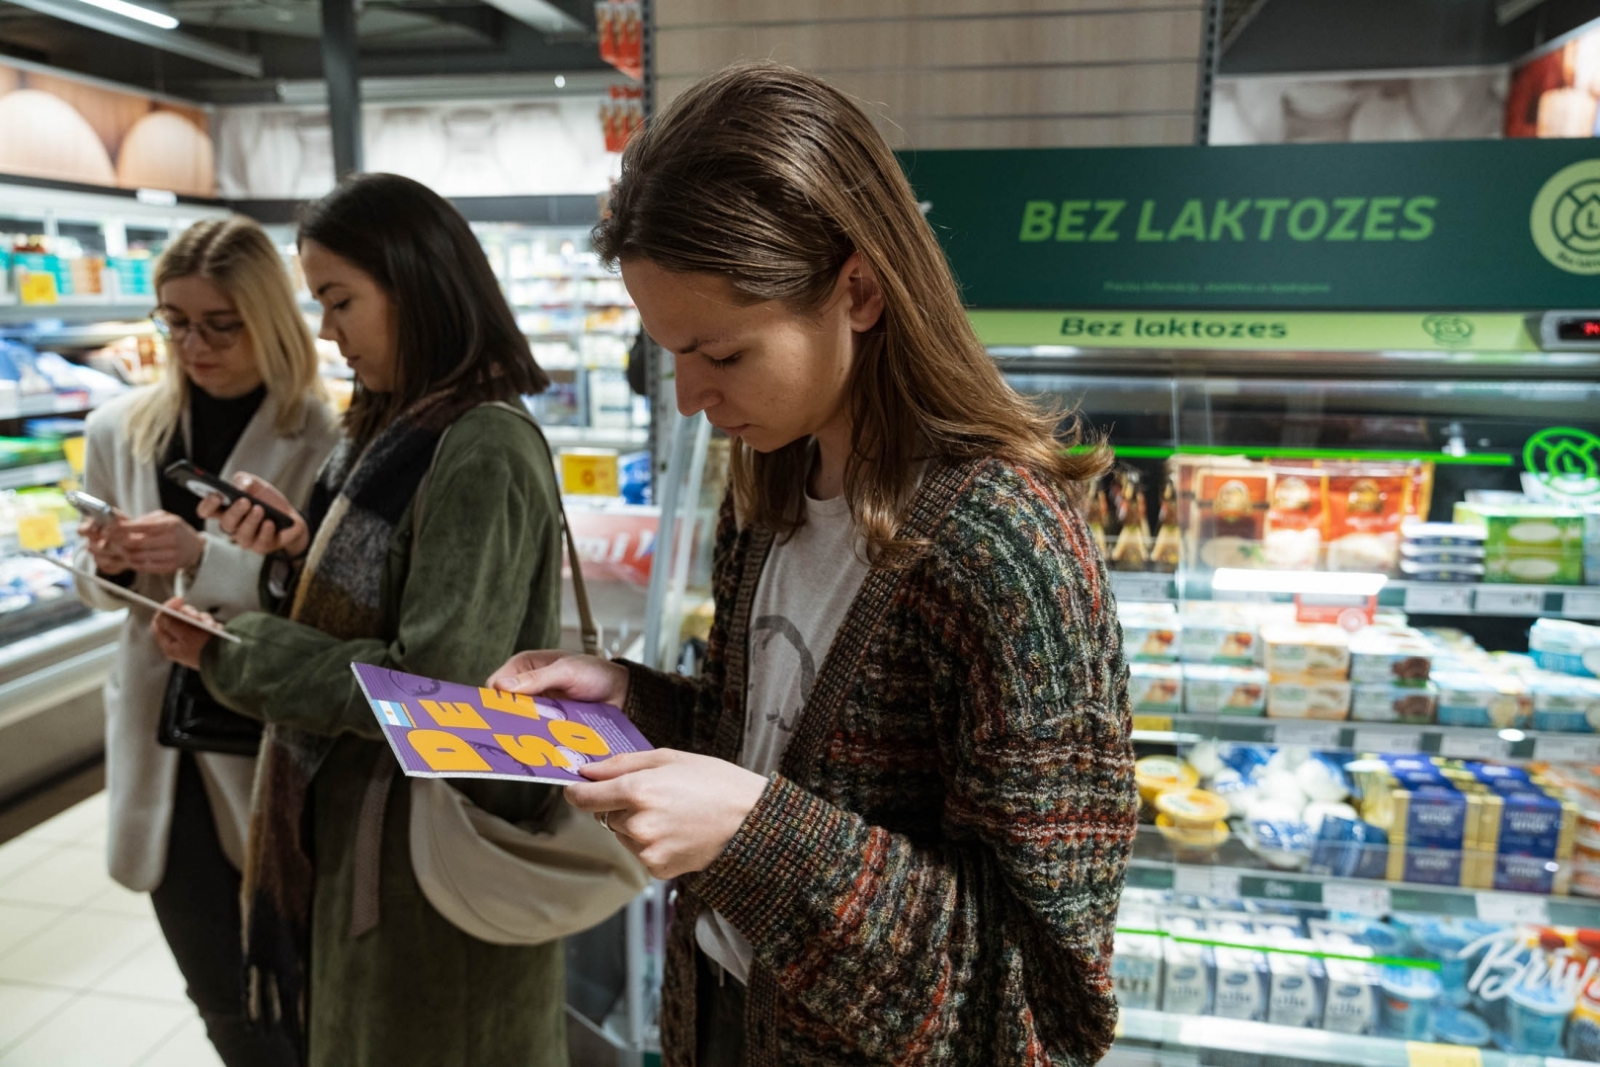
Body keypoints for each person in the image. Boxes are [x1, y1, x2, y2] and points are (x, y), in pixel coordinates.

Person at [489, 62, 1138, 1067]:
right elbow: (775, 752)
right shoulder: (771, 487)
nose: (693, 396)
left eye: (724, 353)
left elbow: (1043, 1008)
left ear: (860, 290)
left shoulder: (1004, 549)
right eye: (672, 355)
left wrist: (756, 840)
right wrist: (633, 703)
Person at [150, 174, 569, 1067]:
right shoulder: (387, 428)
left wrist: (236, 652)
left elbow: (440, 689)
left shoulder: (481, 443)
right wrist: (296, 555)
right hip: (369, 847)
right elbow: (383, 605)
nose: (328, 331)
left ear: (416, 285)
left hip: (427, 865)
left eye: (341, 301)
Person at [74, 216, 339, 1067]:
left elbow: (326, 602)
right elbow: (101, 596)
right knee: (219, 998)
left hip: (266, 747)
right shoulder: (122, 427)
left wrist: (203, 556)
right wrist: (109, 560)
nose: (193, 343)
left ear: (268, 316)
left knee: (299, 1000)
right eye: (173, 320)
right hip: (160, 746)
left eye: (219, 323)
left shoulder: (324, 436)